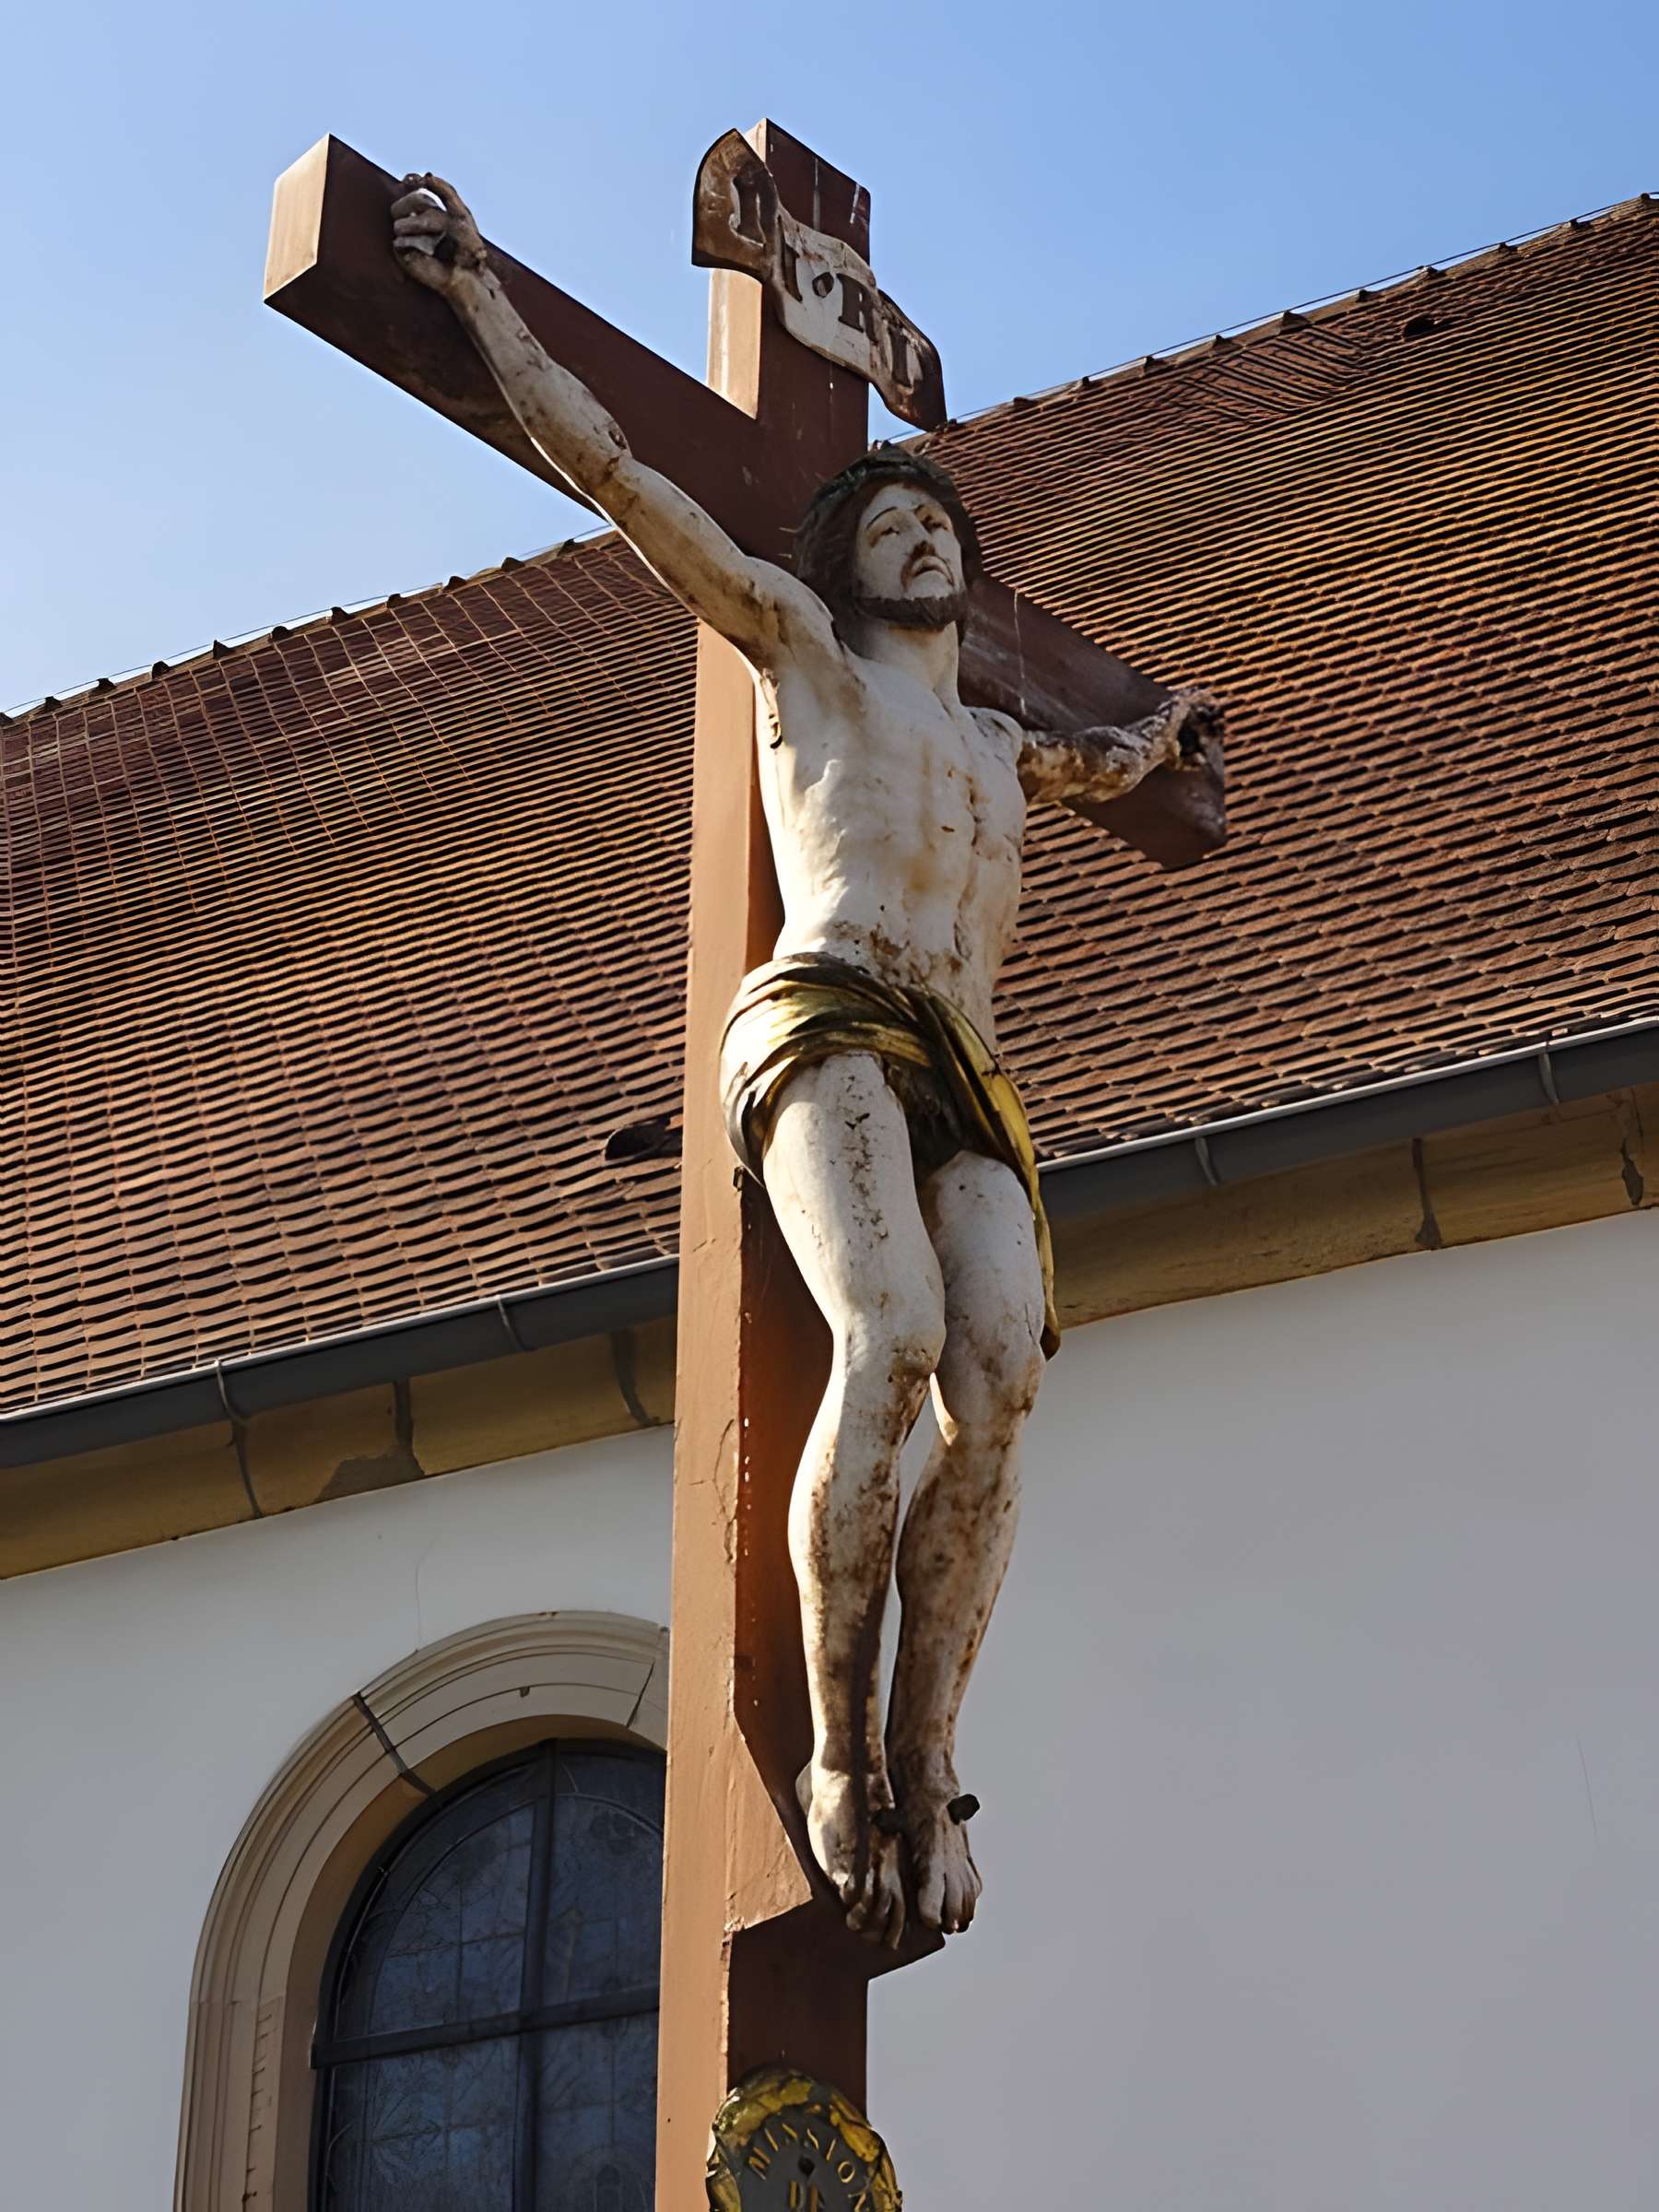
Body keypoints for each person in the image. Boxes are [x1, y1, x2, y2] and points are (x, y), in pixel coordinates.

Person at [392, 174, 1209, 1946]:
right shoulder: (805, 659)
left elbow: (1121, 762)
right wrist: (482, 303)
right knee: (891, 1333)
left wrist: (1162, 737)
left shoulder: (1000, 744)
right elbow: (622, 474)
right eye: (890, 526)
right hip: (828, 1008)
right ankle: (839, 1750)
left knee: (1000, 1374)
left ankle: (930, 1752)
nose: (921, 543)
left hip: (965, 1057)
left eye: (939, 526)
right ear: (844, 562)